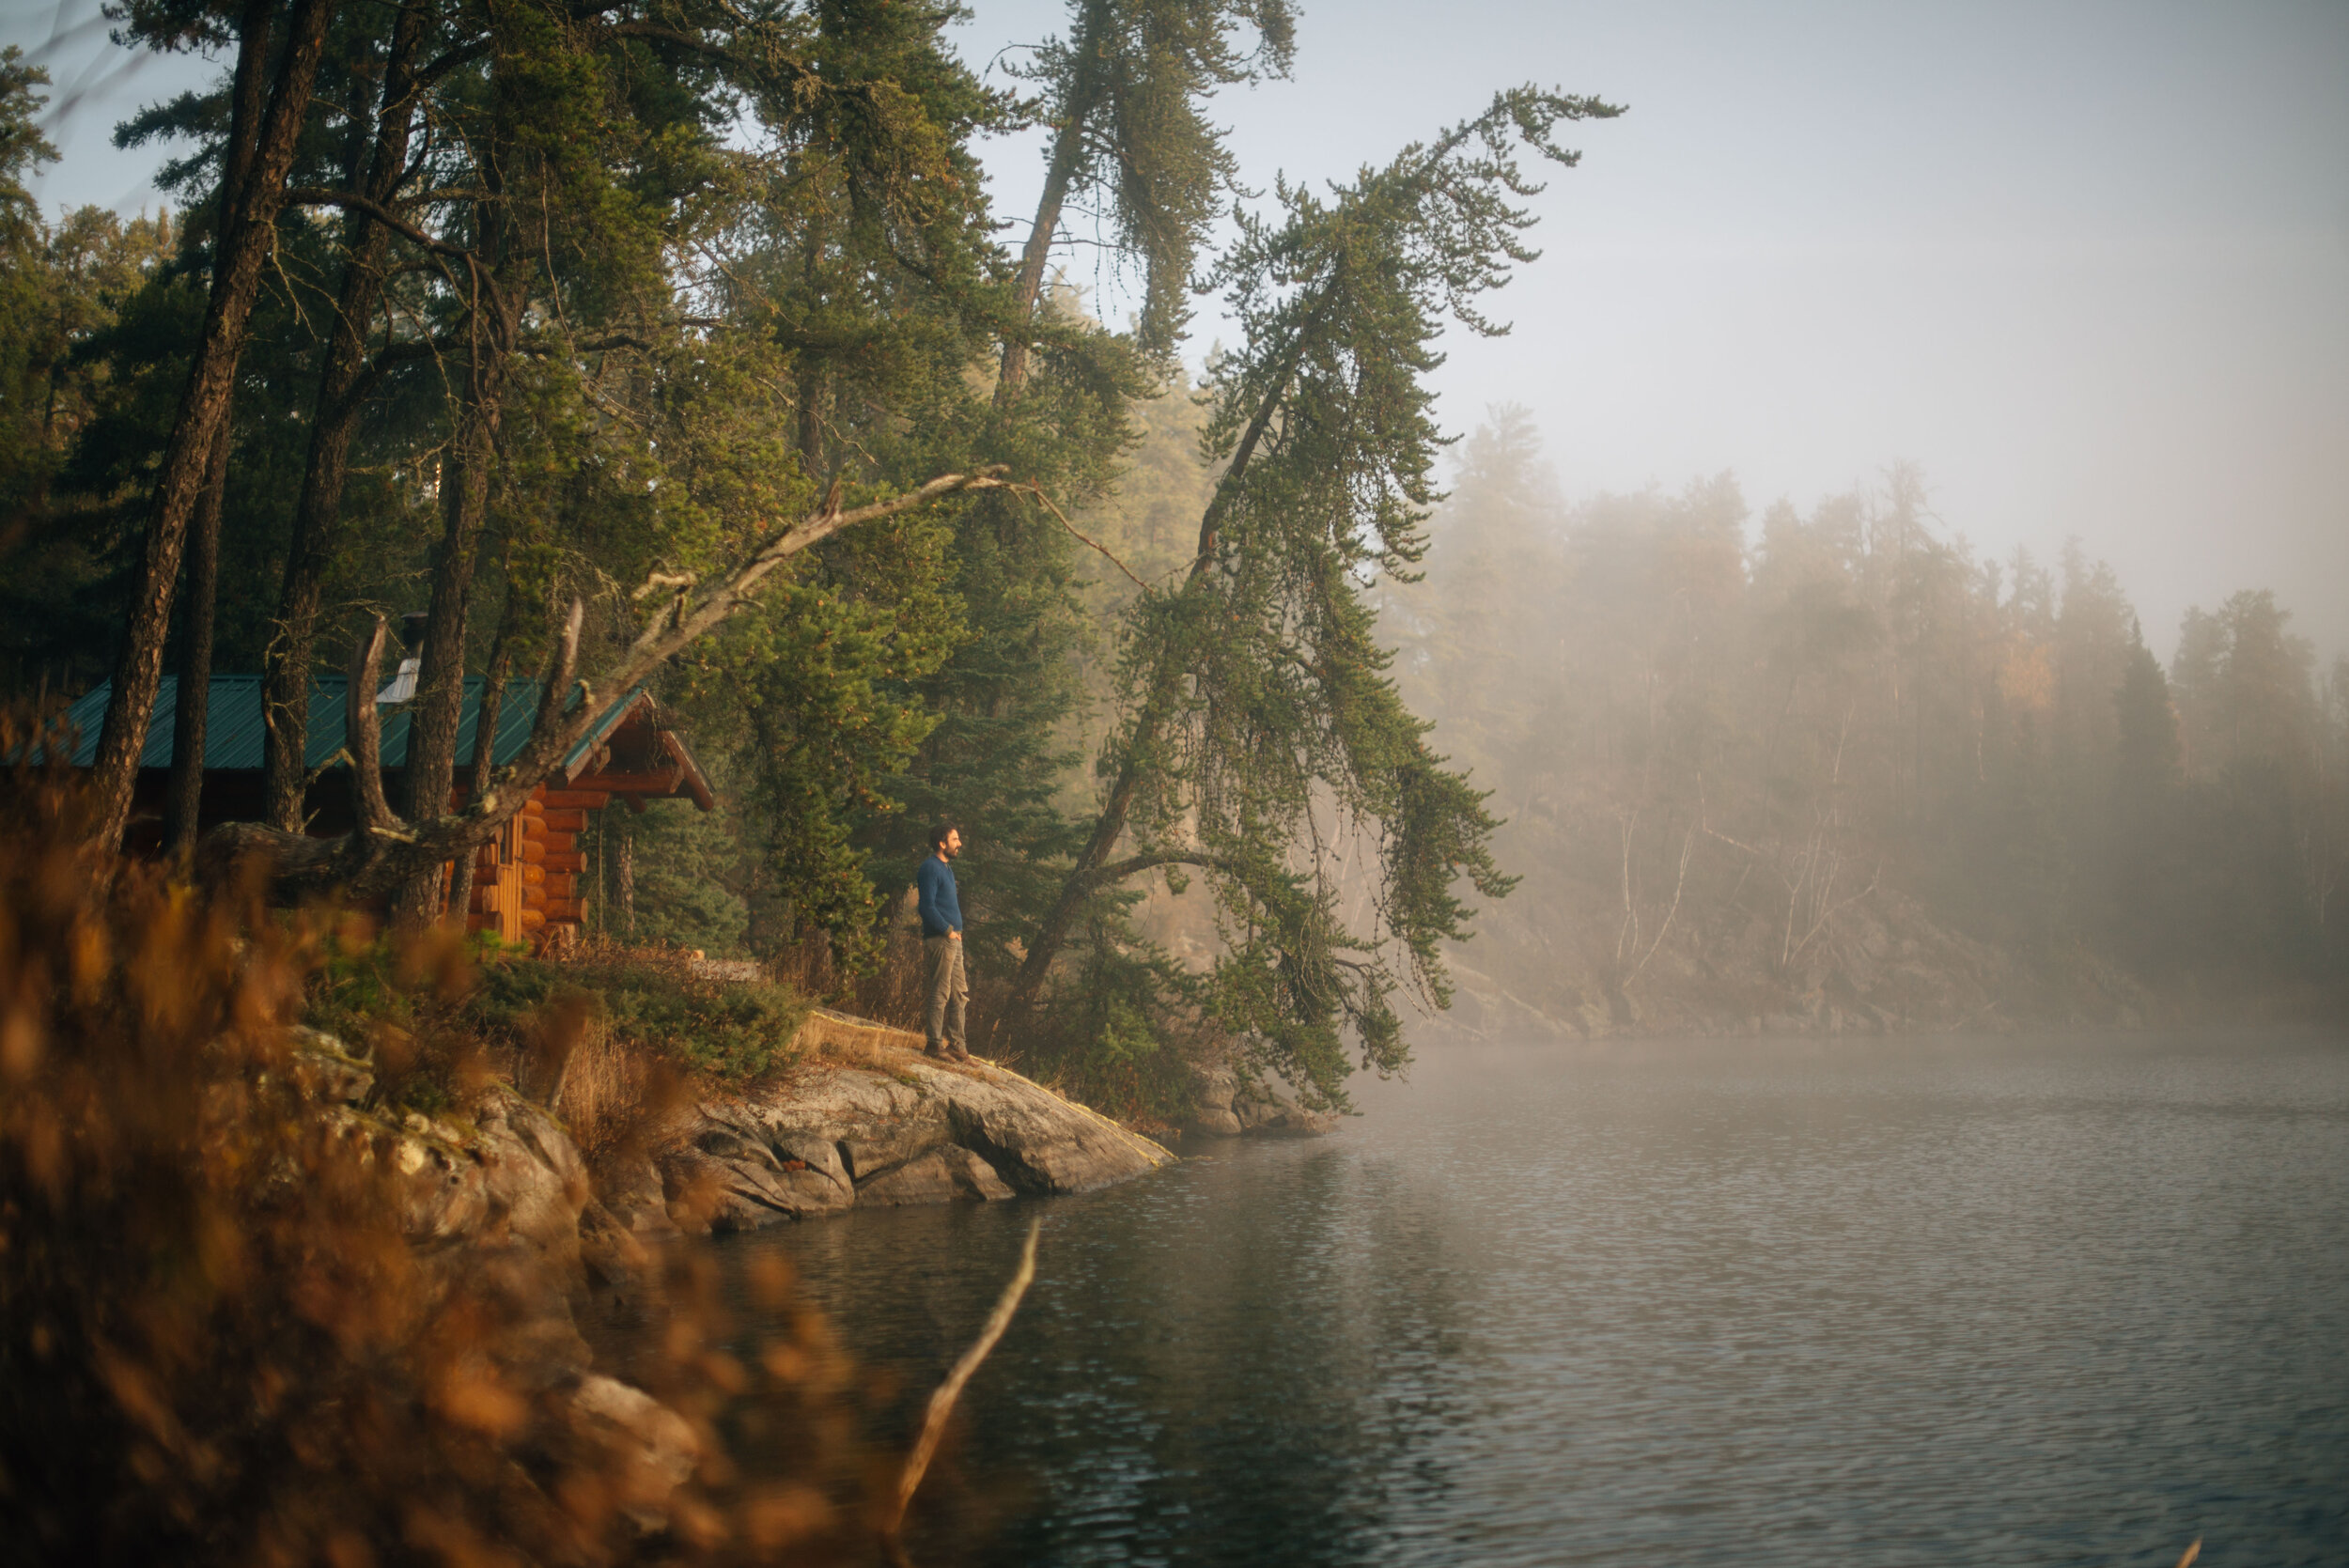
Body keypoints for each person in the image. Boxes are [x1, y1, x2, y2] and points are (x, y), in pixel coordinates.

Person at [915, 822, 970, 1062]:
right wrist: (947, 931)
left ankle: (958, 1046)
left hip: (954, 939)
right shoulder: (930, 868)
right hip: (941, 939)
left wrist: (956, 931)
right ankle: (934, 1045)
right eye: (955, 839)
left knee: (959, 994)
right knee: (941, 992)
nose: (959, 844)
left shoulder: (947, 868)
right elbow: (926, 907)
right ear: (942, 843)